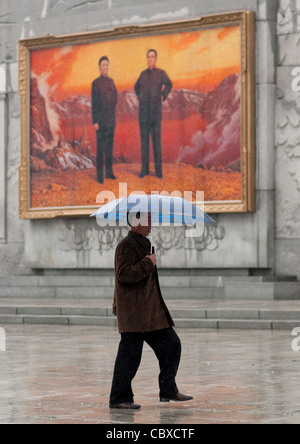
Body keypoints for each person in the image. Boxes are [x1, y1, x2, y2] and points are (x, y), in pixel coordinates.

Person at [109, 212, 193, 409]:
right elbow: (124, 275)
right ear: (135, 222)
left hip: (150, 313)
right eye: (147, 220)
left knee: (172, 344)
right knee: (129, 357)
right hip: (134, 313)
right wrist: (148, 263)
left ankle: (168, 389)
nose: (151, 225)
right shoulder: (126, 245)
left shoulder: (143, 244)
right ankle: (119, 398)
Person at [134, 49, 172, 180]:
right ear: (147, 59)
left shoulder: (161, 73)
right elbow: (136, 87)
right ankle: (144, 171)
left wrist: (163, 96)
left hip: (155, 114)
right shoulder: (142, 74)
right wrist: (141, 98)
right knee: (144, 143)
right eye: (148, 57)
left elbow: (169, 84)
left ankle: (158, 172)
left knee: (156, 143)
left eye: (152, 57)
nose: (150, 59)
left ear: (156, 59)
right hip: (143, 115)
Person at [91, 56, 118, 184]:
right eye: (103, 65)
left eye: (107, 65)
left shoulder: (112, 81)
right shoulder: (95, 83)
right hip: (100, 121)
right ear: (99, 67)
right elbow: (94, 104)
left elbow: (116, 97)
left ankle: (109, 173)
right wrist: (95, 121)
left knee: (109, 147)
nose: (105, 67)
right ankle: (100, 176)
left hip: (111, 120)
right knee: (100, 148)